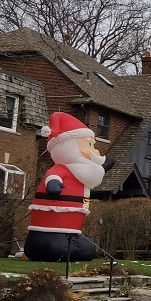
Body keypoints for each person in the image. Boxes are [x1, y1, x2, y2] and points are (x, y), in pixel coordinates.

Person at [25, 112, 115, 262]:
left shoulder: (82, 173)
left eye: (92, 145)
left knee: (87, 250)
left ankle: (71, 239)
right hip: (48, 231)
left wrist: (103, 167)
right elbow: (52, 177)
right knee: (57, 250)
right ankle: (39, 245)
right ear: (69, 146)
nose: (94, 150)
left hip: (72, 231)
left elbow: (92, 174)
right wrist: (53, 183)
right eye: (89, 144)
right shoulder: (62, 169)